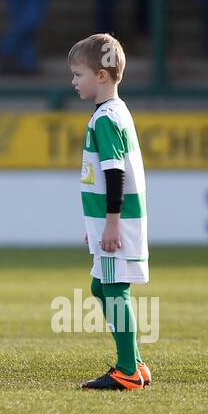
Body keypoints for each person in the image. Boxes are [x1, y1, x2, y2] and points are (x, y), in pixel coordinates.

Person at [68, 32, 150, 390]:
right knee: (101, 286)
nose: (73, 82)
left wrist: (112, 225)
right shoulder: (115, 112)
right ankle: (135, 363)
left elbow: (115, 174)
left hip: (120, 221)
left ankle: (128, 371)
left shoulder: (105, 119)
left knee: (114, 289)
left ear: (101, 75)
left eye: (78, 74)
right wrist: (99, 224)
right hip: (112, 221)